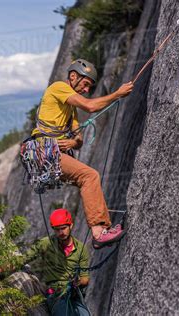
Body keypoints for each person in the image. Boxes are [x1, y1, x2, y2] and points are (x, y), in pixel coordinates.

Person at [32, 58, 133, 249]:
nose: (86, 89)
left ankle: (102, 227)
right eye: (85, 84)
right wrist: (117, 94)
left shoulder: (70, 109)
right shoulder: (59, 87)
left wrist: (71, 141)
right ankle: (99, 232)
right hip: (44, 151)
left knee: (86, 179)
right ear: (73, 76)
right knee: (89, 176)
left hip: (47, 154)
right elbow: (91, 106)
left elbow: (79, 141)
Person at [0, 209, 91, 315]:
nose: (61, 233)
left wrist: (77, 282)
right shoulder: (46, 243)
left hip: (74, 294)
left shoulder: (81, 249)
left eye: (63, 228)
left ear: (71, 226)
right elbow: (21, 260)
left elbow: (85, 279)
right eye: (57, 230)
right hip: (56, 296)